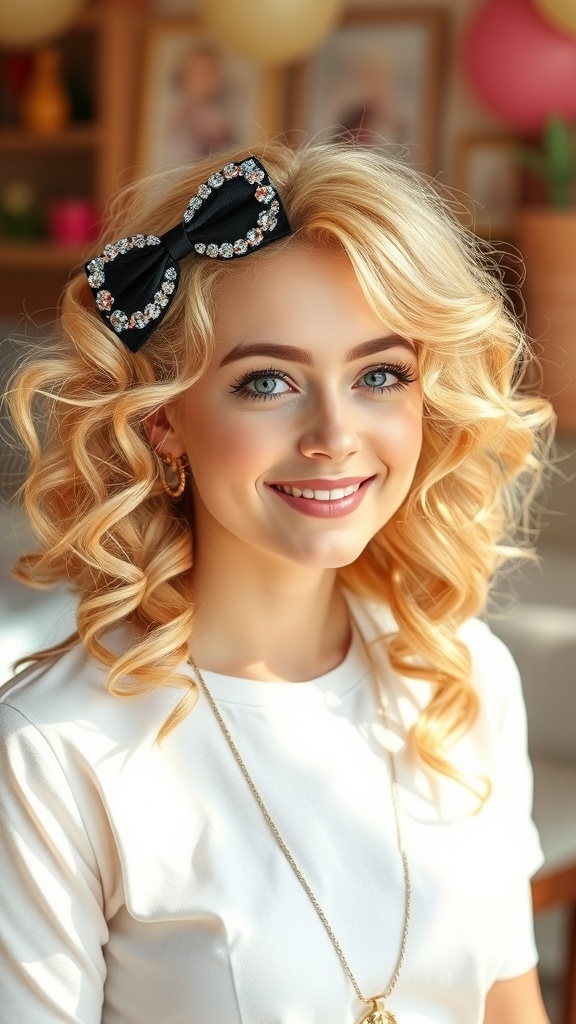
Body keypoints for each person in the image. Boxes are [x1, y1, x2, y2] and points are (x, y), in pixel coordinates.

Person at [1, 141, 555, 1024]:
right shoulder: (53, 752)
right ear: (164, 422)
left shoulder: (464, 678)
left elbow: (509, 1006)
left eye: (380, 375)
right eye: (268, 381)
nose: (335, 433)